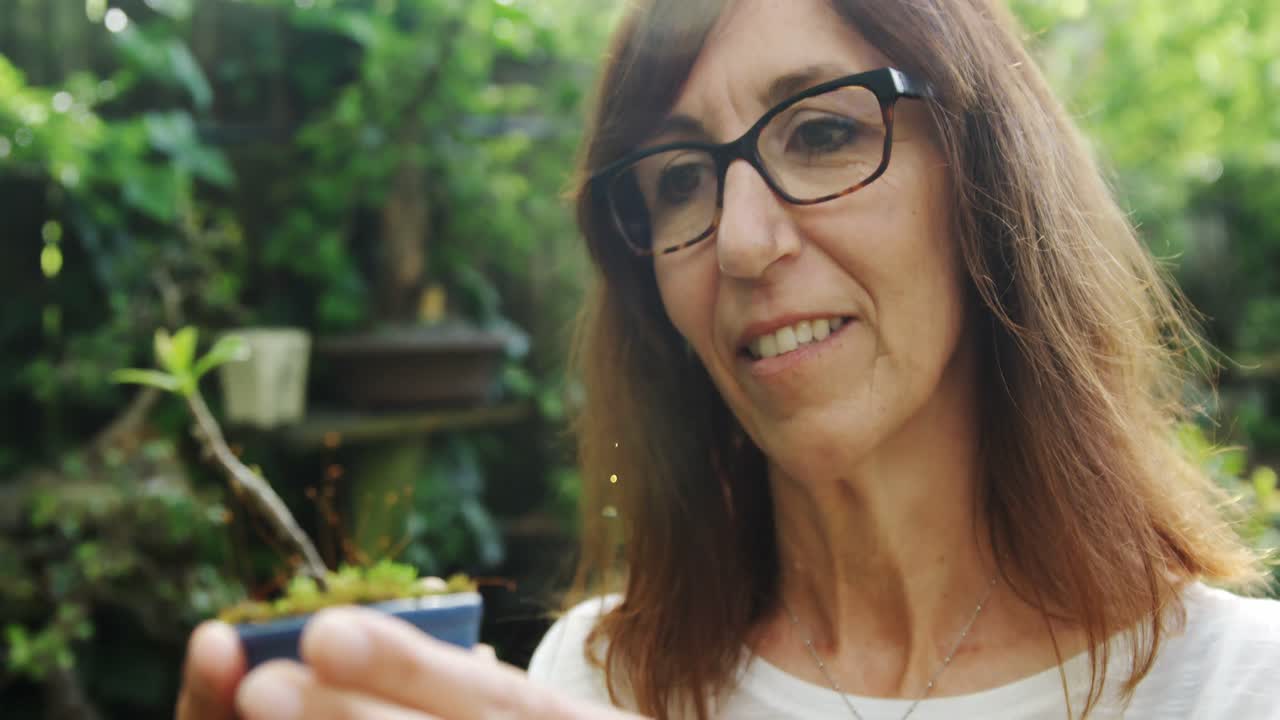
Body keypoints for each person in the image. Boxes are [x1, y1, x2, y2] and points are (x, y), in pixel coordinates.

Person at [177, 0, 1280, 718]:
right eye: (677, 182)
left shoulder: (1232, 687)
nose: (743, 244)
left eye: (820, 132)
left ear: (985, 177)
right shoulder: (598, 682)